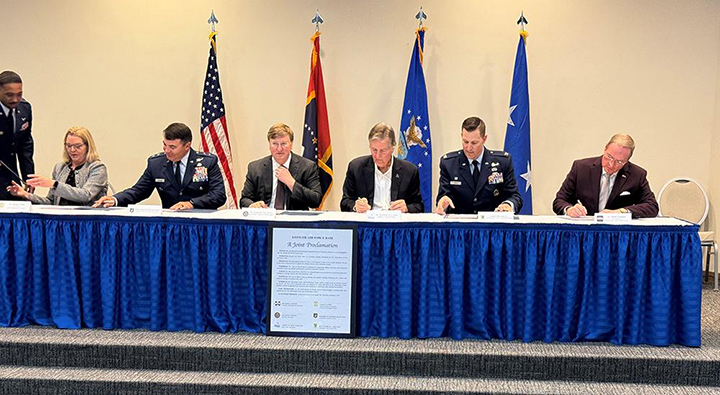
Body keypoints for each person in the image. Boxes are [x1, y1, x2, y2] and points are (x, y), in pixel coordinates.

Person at [93, 122, 226, 210]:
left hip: (201, 224)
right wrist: (115, 199)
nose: (166, 150)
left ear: (187, 146)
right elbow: (138, 191)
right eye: (164, 145)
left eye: (172, 147)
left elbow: (218, 196)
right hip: (170, 224)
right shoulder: (156, 163)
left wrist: (191, 204)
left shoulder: (207, 162)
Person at [553, 133, 658, 218]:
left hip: (618, 233)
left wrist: (621, 212)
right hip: (585, 230)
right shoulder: (581, 168)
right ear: (605, 148)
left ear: (627, 161)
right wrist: (569, 209)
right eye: (609, 157)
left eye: (619, 162)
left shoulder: (637, 175)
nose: (611, 164)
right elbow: (559, 200)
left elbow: (652, 206)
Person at [436, 116, 522, 214]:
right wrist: (443, 202)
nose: (468, 147)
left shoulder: (503, 162)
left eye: (474, 143)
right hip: (460, 226)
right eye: (465, 142)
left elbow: (514, 196)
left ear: (484, 139)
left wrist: (508, 204)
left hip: (491, 226)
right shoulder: (448, 164)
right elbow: (444, 196)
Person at [7, 127, 107, 205]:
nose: (72, 150)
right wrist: (26, 195)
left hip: (87, 222)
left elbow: (86, 195)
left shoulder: (97, 168)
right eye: (68, 146)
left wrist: (54, 184)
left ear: (88, 147)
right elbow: (51, 202)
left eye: (78, 146)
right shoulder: (60, 168)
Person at [340, 122, 423, 213]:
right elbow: (345, 202)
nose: (378, 156)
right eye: (374, 150)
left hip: (395, 225)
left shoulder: (409, 171)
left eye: (383, 151)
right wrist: (355, 206)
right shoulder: (356, 168)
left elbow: (419, 206)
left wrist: (406, 208)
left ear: (392, 149)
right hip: (367, 224)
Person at [240, 123, 321, 210]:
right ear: (269, 145)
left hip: (293, 221)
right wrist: (252, 205)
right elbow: (244, 199)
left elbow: (316, 200)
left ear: (291, 144)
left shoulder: (307, 167)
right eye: (275, 144)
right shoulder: (255, 168)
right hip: (265, 220)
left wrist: (292, 184)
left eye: (283, 144)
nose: (279, 149)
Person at [0, 70, 33, 200]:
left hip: (11, 173)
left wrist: (28, 177)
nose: (15, 99)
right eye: (9, 95)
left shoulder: (25, 108)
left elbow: (25, 144)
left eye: (19, 95)